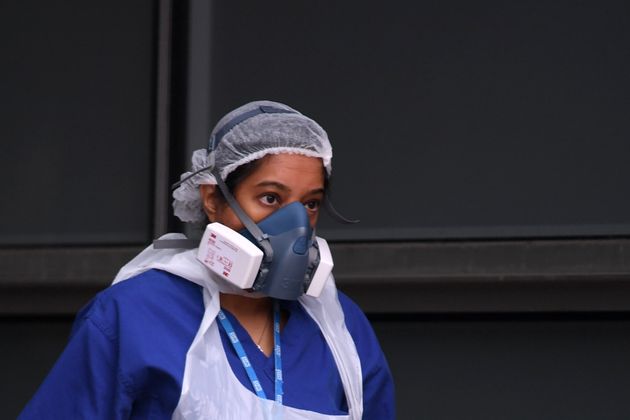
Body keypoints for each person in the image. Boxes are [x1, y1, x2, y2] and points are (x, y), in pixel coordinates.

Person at [19, 100, 395, 419]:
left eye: (310, 204)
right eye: (270, 198)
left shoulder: (339, 326)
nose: (296, 226)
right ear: (212, 199)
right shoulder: (132, 316)